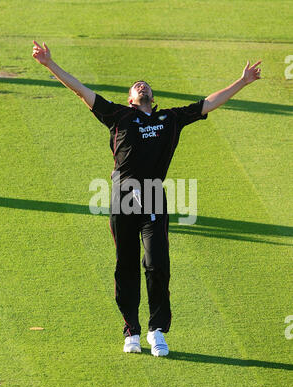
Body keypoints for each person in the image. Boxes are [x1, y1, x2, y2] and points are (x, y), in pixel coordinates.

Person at [32, 40, 261, 357]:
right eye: (136, 86)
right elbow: (80, 90)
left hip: (154, 198)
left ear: (152, 97)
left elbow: (208, 103)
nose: (141, 85)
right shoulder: (118, 116)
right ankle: (131, 332)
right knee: (125, 267)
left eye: (145, 85)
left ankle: (157, 332)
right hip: (122, 199)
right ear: (130, 99)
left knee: (157, 264)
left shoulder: (170, 119)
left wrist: (243, 81)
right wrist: (49, 64)